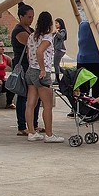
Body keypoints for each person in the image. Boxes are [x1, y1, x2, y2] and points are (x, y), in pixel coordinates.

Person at [25, 11, 64, 143]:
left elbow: (29, 52)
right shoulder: (47, 38)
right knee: (47, 105)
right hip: (42, 72)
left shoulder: (31, 36)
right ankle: (49, 134)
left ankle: (31, 132)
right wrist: (42, 68)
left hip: (31, 70)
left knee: (30, 103)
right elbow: (39, 51)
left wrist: (33, 65)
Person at [11, 3, 40, 136]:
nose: (31, 19)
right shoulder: (19, 31)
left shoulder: (31, 30)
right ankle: (22, 126)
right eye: (29, 17)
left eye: (32, 17)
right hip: (22, 65)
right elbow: (32, 43)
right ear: (21, 16)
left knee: (35, 96)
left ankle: (33, 124)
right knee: (23, 95)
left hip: (31, 65)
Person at [76, 19, 99, 99]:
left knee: (83, 91)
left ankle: (84, 109)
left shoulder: (83, 24)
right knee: (97, 90)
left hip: (83, 60)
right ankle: (96, 109)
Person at [52, 18, 67, 84]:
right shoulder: (58, 31)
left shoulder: (62, 31)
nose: (55, 25)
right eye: (55, 23)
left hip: (60, 50)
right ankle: (66, 73)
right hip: (57, 49)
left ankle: (57, 79)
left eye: (57, 23)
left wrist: (57, 32)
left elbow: (61, 37)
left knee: (56, 64)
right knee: (57, 64)